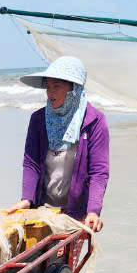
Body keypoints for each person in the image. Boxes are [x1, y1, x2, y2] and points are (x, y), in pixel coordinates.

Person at [17, 56, 108, 232]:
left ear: (74, 89)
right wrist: (27, 199)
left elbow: (99, 171)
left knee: (62, 260)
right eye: (48, 87)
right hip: (42, 210)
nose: (50, 93)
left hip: (77, 214)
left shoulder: (95, 121)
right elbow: (31, 163)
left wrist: (93, 211)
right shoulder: (38, 120)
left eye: (57, 86)